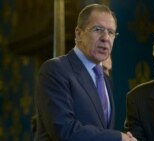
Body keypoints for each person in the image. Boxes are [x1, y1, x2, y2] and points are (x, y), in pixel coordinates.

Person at [34, 4, 137, 141]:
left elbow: (102, 130)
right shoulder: (55, 70)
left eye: (111, 32)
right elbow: (65, 131)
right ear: (79, 33)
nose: (105, 38)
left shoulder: (105, 79)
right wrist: (118, 138)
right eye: (98, 29)